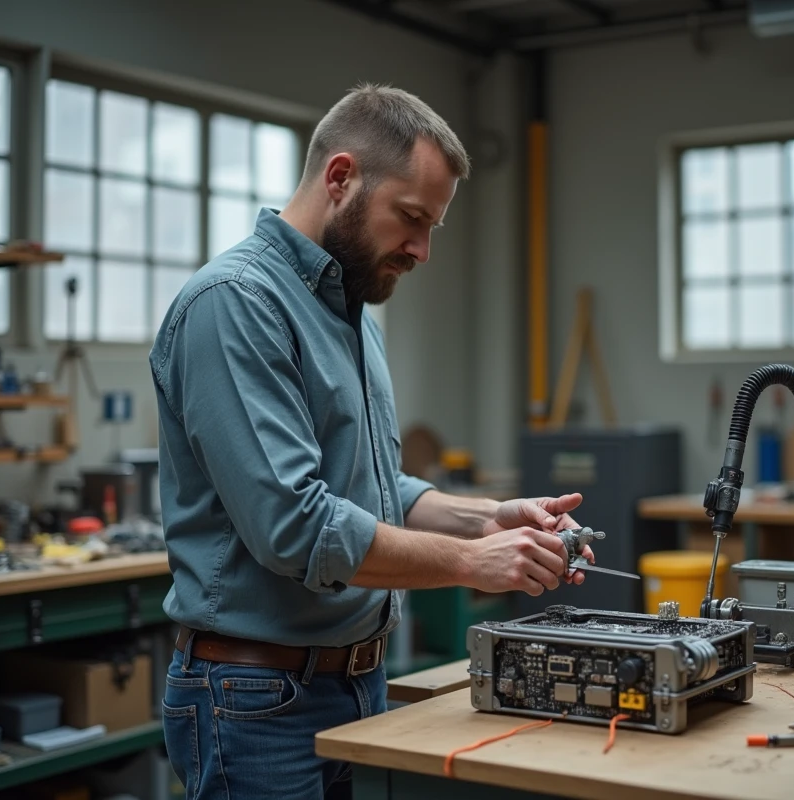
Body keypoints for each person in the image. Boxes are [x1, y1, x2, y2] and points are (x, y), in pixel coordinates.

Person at [149, 83, 594, 800]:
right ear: (341, 178)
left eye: (432, 228)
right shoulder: (235, 304)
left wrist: (493, 518)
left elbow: (379, 490)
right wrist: (471, 562)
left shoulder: (352, 316)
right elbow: (298, 527)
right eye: (411, 219)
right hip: (255, 696)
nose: (420, 250)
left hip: (354, 684)